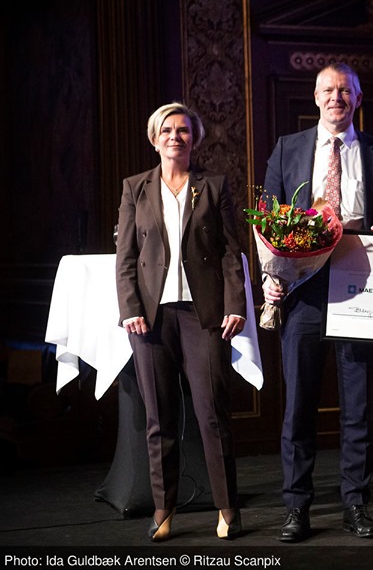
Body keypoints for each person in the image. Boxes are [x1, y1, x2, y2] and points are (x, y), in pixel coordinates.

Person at [262, 62, 373, 543]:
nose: (336, 98)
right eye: (328, 90)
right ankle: (296, 508)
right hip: (303, 289)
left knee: (358, 405)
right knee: (299, 405)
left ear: (358, 99)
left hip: (360, 285)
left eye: (345, 90)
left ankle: (356, 504)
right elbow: (267, 219)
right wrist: (270, 277)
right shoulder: (287, 148)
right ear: (315, 97)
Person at [115, 102, 246, 541]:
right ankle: (163, 508)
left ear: (195, 139)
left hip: (203, 315)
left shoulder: (213, 186)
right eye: (167, 130)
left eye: (184, 130)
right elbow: (126, 256)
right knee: (159, 418)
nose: (175, 136)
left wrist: (235, 304)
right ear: (155, 139)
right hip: (150, 320)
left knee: (213, 414)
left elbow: (230, 251)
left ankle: (227, 508)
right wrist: (130, 308)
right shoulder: (135, 187)